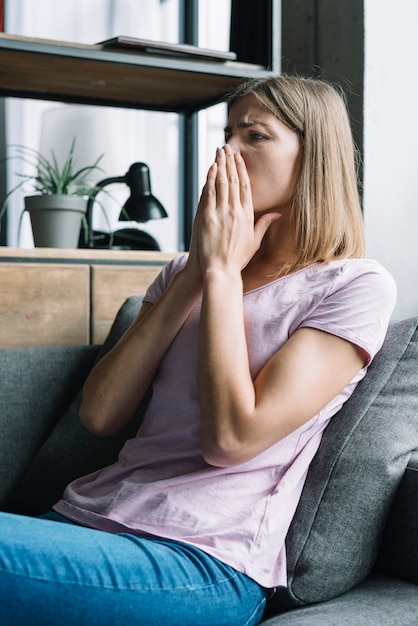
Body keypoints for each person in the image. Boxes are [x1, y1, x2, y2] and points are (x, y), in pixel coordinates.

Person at [0, 75, 396, 626]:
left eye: (254, 136)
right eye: (227, 133)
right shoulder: (183, 273)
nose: (227, 152)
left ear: (314, 157)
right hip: (87, 521)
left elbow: (232, 440)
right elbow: (100, 413)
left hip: (203, 561)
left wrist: (220, 273)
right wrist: (196, 271)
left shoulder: (351, 286)